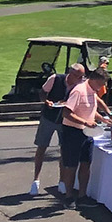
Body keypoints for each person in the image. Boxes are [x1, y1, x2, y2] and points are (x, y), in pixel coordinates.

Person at [57, 64, 110, 205]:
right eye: (100, 84)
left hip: (87, 133)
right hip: (73, 132)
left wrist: (103, 118)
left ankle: (82, 196)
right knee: (71, 165)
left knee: (86, 164)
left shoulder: (92, 91)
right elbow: (66, 113)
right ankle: (68, 196)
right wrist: (85, 122)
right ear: (93, 80)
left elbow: (91, 109)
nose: (101, 87)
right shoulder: (78, 91)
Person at [30, 60, 73, 198]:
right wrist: (46, 101)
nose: (80, 79)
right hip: (48, 118)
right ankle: (36, 180)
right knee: (42, 147)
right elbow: (42, 92)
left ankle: (62, 181)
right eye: (77, 76)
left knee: (64, 150)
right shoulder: (55, 78)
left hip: (64, 121)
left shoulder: (78, 85)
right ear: (70, 74)